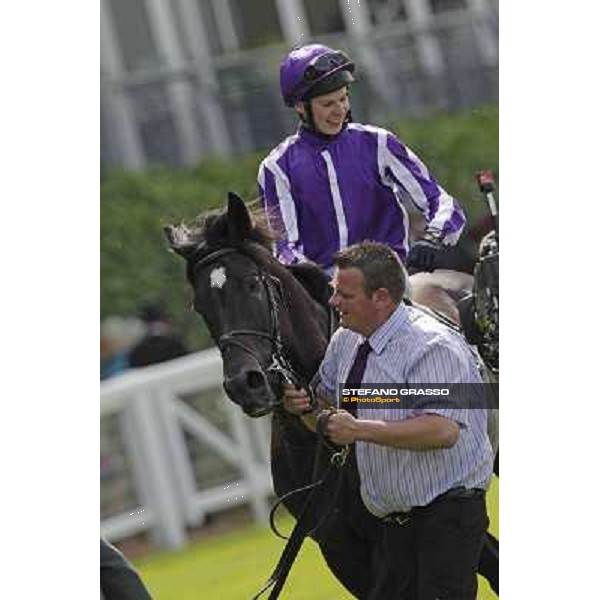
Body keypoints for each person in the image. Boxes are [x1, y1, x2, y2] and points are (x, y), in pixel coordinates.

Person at [284, 241, 493, 599]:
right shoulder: (344, 342)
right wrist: (306, 409)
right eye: (334, 292)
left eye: (344, 295)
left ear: (381, 298)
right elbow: (325, 407)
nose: (333, 302)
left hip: (448, 516)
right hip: (392, 527)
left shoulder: (431, 345)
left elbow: (442, 430)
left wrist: (358, 430)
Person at [258, 43, 467, 276]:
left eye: (343, 99)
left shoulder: (379, 143)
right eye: (328, 104)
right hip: (324, 291)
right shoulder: (276, 167)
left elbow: (441, 201)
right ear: (300, 107)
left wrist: (432, 237)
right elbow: (284, 249)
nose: (340, 110)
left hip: (389, 281)